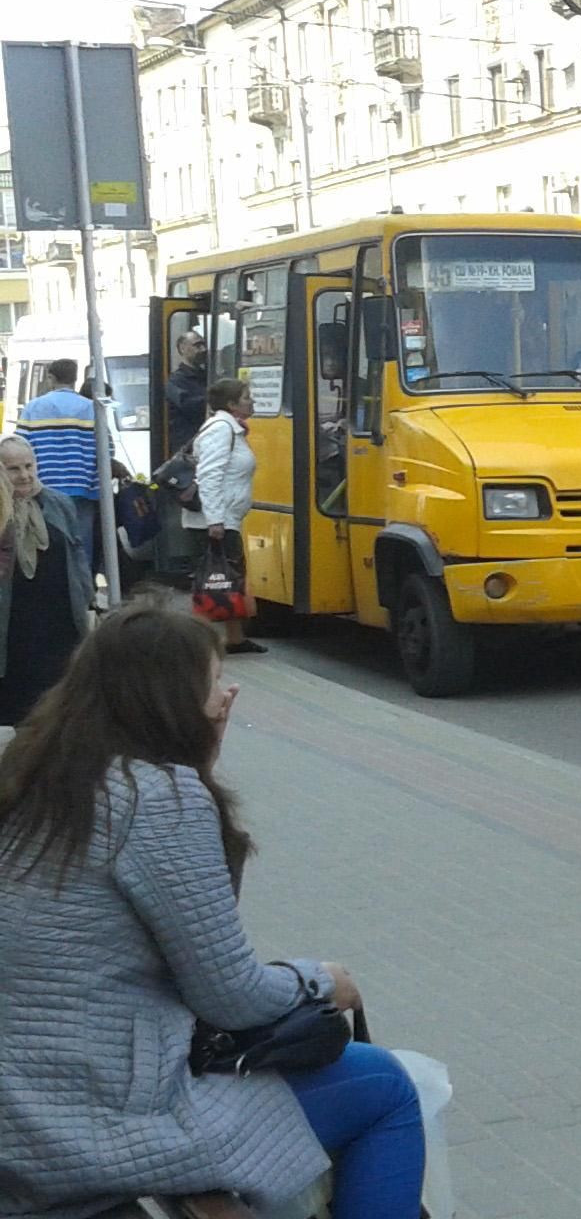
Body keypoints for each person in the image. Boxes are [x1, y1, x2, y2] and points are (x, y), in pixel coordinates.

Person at [0, 602, 424, 1219]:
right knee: (385, 1088)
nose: (227, 695)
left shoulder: (32, 779)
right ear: (167, 701)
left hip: (20, 1114)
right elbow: (230, 996)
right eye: (211, 682)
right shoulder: (157, 797)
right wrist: (321, 980)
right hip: (93, 1130)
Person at [0, 436, 91, 726]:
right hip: (12, 628)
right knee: (21, 708)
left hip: (59, 624)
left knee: (60, 707)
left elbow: (77, 554)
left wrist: (87, 598)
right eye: (13, 469)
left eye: (29, 465)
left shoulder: (58, 503)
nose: (25, 475)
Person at [186, 378, 260, 656]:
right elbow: (209, 475)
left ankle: (235, 639)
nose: (251, 401)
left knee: (228, 579)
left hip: (227, 517)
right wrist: (215, 520)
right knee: (213, 580)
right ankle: (195, 644)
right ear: (231, 405)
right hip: (218, 520)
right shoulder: (221, 429)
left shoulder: (232, 429)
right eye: (246, 397)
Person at [16, 358, 101, 586]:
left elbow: (21, 447)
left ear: (51, 378)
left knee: (47, 540)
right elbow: (107, 448)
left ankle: (54, 586)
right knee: (81, 543)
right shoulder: (91, 408)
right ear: (75, 379)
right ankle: (83, 591)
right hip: (84, 487)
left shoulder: (33, 408)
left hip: (45, 487)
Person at [165, 330, 211, 450]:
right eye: (197, 345)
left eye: (204, 345)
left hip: (207, 442)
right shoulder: (175, 381)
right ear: (182, 349)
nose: (203, 350)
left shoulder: (208, 376)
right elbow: (189, 405)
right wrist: (216, 398)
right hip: (187, 446)